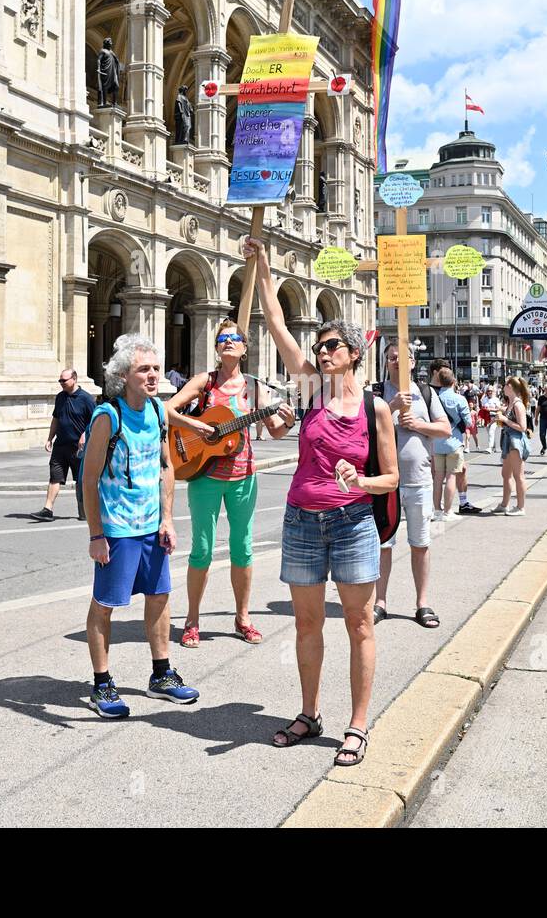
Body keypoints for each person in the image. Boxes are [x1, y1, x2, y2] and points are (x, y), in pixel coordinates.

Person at [247, 237, 398, 768]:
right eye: (320, 347)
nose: (321, 353)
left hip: (354, 523)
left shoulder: (375, 408)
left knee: (359, 624)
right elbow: (275, 322)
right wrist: (263, 264)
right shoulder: (310, 391)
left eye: (332, 346)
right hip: (302, 521)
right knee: (307, 624)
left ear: (355, 352)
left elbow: (392, 479)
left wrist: (359, 481)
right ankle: (310, 713)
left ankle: (358, 724)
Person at [80, 333, 194, 719]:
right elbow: (89, 479)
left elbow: (166, 466)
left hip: (151, 526)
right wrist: (97, 535)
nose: (152, 375)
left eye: (156, 368)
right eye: (143, 369)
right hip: (117, 528)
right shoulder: (107, 416)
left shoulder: (159, 411)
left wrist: (167, 519)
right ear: (123, 375)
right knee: (106, 604)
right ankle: (102, 684)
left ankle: (161, 675)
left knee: (160, 597)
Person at [165, 319, 295, 648]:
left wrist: (287, 423)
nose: (228, 342)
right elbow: (166, 409)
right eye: (222, 338)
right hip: (205, 476)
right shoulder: (204, 382)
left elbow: (275, 430)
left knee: (243, 548)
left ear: (245, 347)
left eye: (234, 338)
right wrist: (195, 426)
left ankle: (243, 618)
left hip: (243, 477)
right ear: (216, 347)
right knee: (202, 550)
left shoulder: (255, 388)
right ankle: (192, 621)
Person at [373, 341, 451, 628]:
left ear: (413, 362)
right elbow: (365, 431)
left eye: (401, 358)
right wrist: (390, 409)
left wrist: (417, 425)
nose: (396, 362)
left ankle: (422, 603)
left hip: (418, 480)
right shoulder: (377, 393)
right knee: (383, 544)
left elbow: (444, 429)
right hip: (386, 482)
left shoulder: (425, 393)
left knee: (420, 543)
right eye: (391, 358)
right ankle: (380, 603)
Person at [33, 369, 96, 522]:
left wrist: (85, 434)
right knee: (55, 477)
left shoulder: (86, 399)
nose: (61, 383)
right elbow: (56, 418)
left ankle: (84, 511)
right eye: (60, 381)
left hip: (78, 448)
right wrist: (49, 438)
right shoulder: (60, 397)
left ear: (74, 379)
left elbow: (96, 421)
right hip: (60, 445)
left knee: (80, 481)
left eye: (64, 381)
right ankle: (47, 509)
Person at [433, 369, 478, 518]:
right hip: (453, 441)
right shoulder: (459, 399)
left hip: (437, 442)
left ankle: (437, 511)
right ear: (454, 382)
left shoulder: (434, 398)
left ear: (439, 381)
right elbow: (468, 422)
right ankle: (447, 511)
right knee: (451, 477)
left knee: (438, 478)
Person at [495, 376, 531, 515]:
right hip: (508, 440)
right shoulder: (511, 403)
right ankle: (505, 504)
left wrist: (505, 419)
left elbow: (523, 427)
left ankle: (520, 507)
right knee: (506, 474)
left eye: (505, 385)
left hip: (515, 442)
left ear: (510, 387)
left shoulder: (517, 404)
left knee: (518, 475)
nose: (503, 387)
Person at [481, 386, 502, 454]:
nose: (489, 392)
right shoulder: (484, 399)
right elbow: (482, 408)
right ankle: (494, 447)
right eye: (488, 391)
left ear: (493, 392)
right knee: (490, 433)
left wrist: (491, 409)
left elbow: (499, 409)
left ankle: (490, 447)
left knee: (491, 432)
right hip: (487, 417)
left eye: (491, 391)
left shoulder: (496, 399)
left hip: (494, 417)